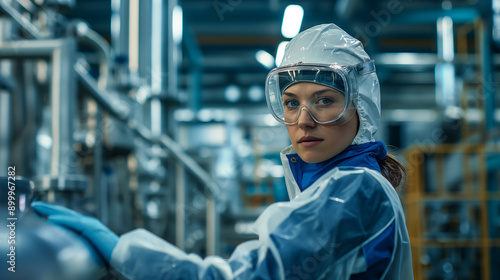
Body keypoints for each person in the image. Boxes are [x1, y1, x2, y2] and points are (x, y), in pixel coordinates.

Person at [32, 23, 413, 279]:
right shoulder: (335, 186)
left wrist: (124, 253)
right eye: (291, 103)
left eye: (324, 101)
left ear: (360, 106)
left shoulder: (358, 191)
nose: (303, 120)